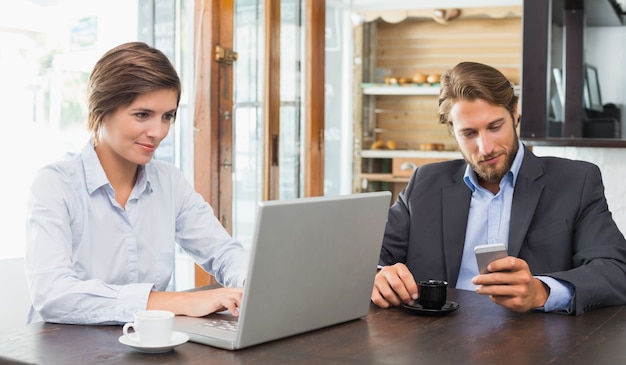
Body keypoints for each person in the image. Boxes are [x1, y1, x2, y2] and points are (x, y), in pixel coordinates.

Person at [371, 61, 626, 315]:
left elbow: (616, 271)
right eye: (469, 134)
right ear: (453, 131)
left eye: (495, 127)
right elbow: (368, 257)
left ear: (515, 113)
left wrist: (542, 292)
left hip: (531, 344)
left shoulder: (575, 181)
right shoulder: (425, 183)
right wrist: (378, 275)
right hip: (433, 342)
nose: (486, 147)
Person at [25, 42, 249, 325]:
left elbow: (224, 253)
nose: (158, 132)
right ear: (100, 110)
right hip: (64, 349)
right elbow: (53, 295)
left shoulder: (169, 182)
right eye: (142, 115)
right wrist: (180, 301)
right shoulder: (55, 184)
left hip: (144, 345)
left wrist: (250, 285)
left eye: (167, 116)